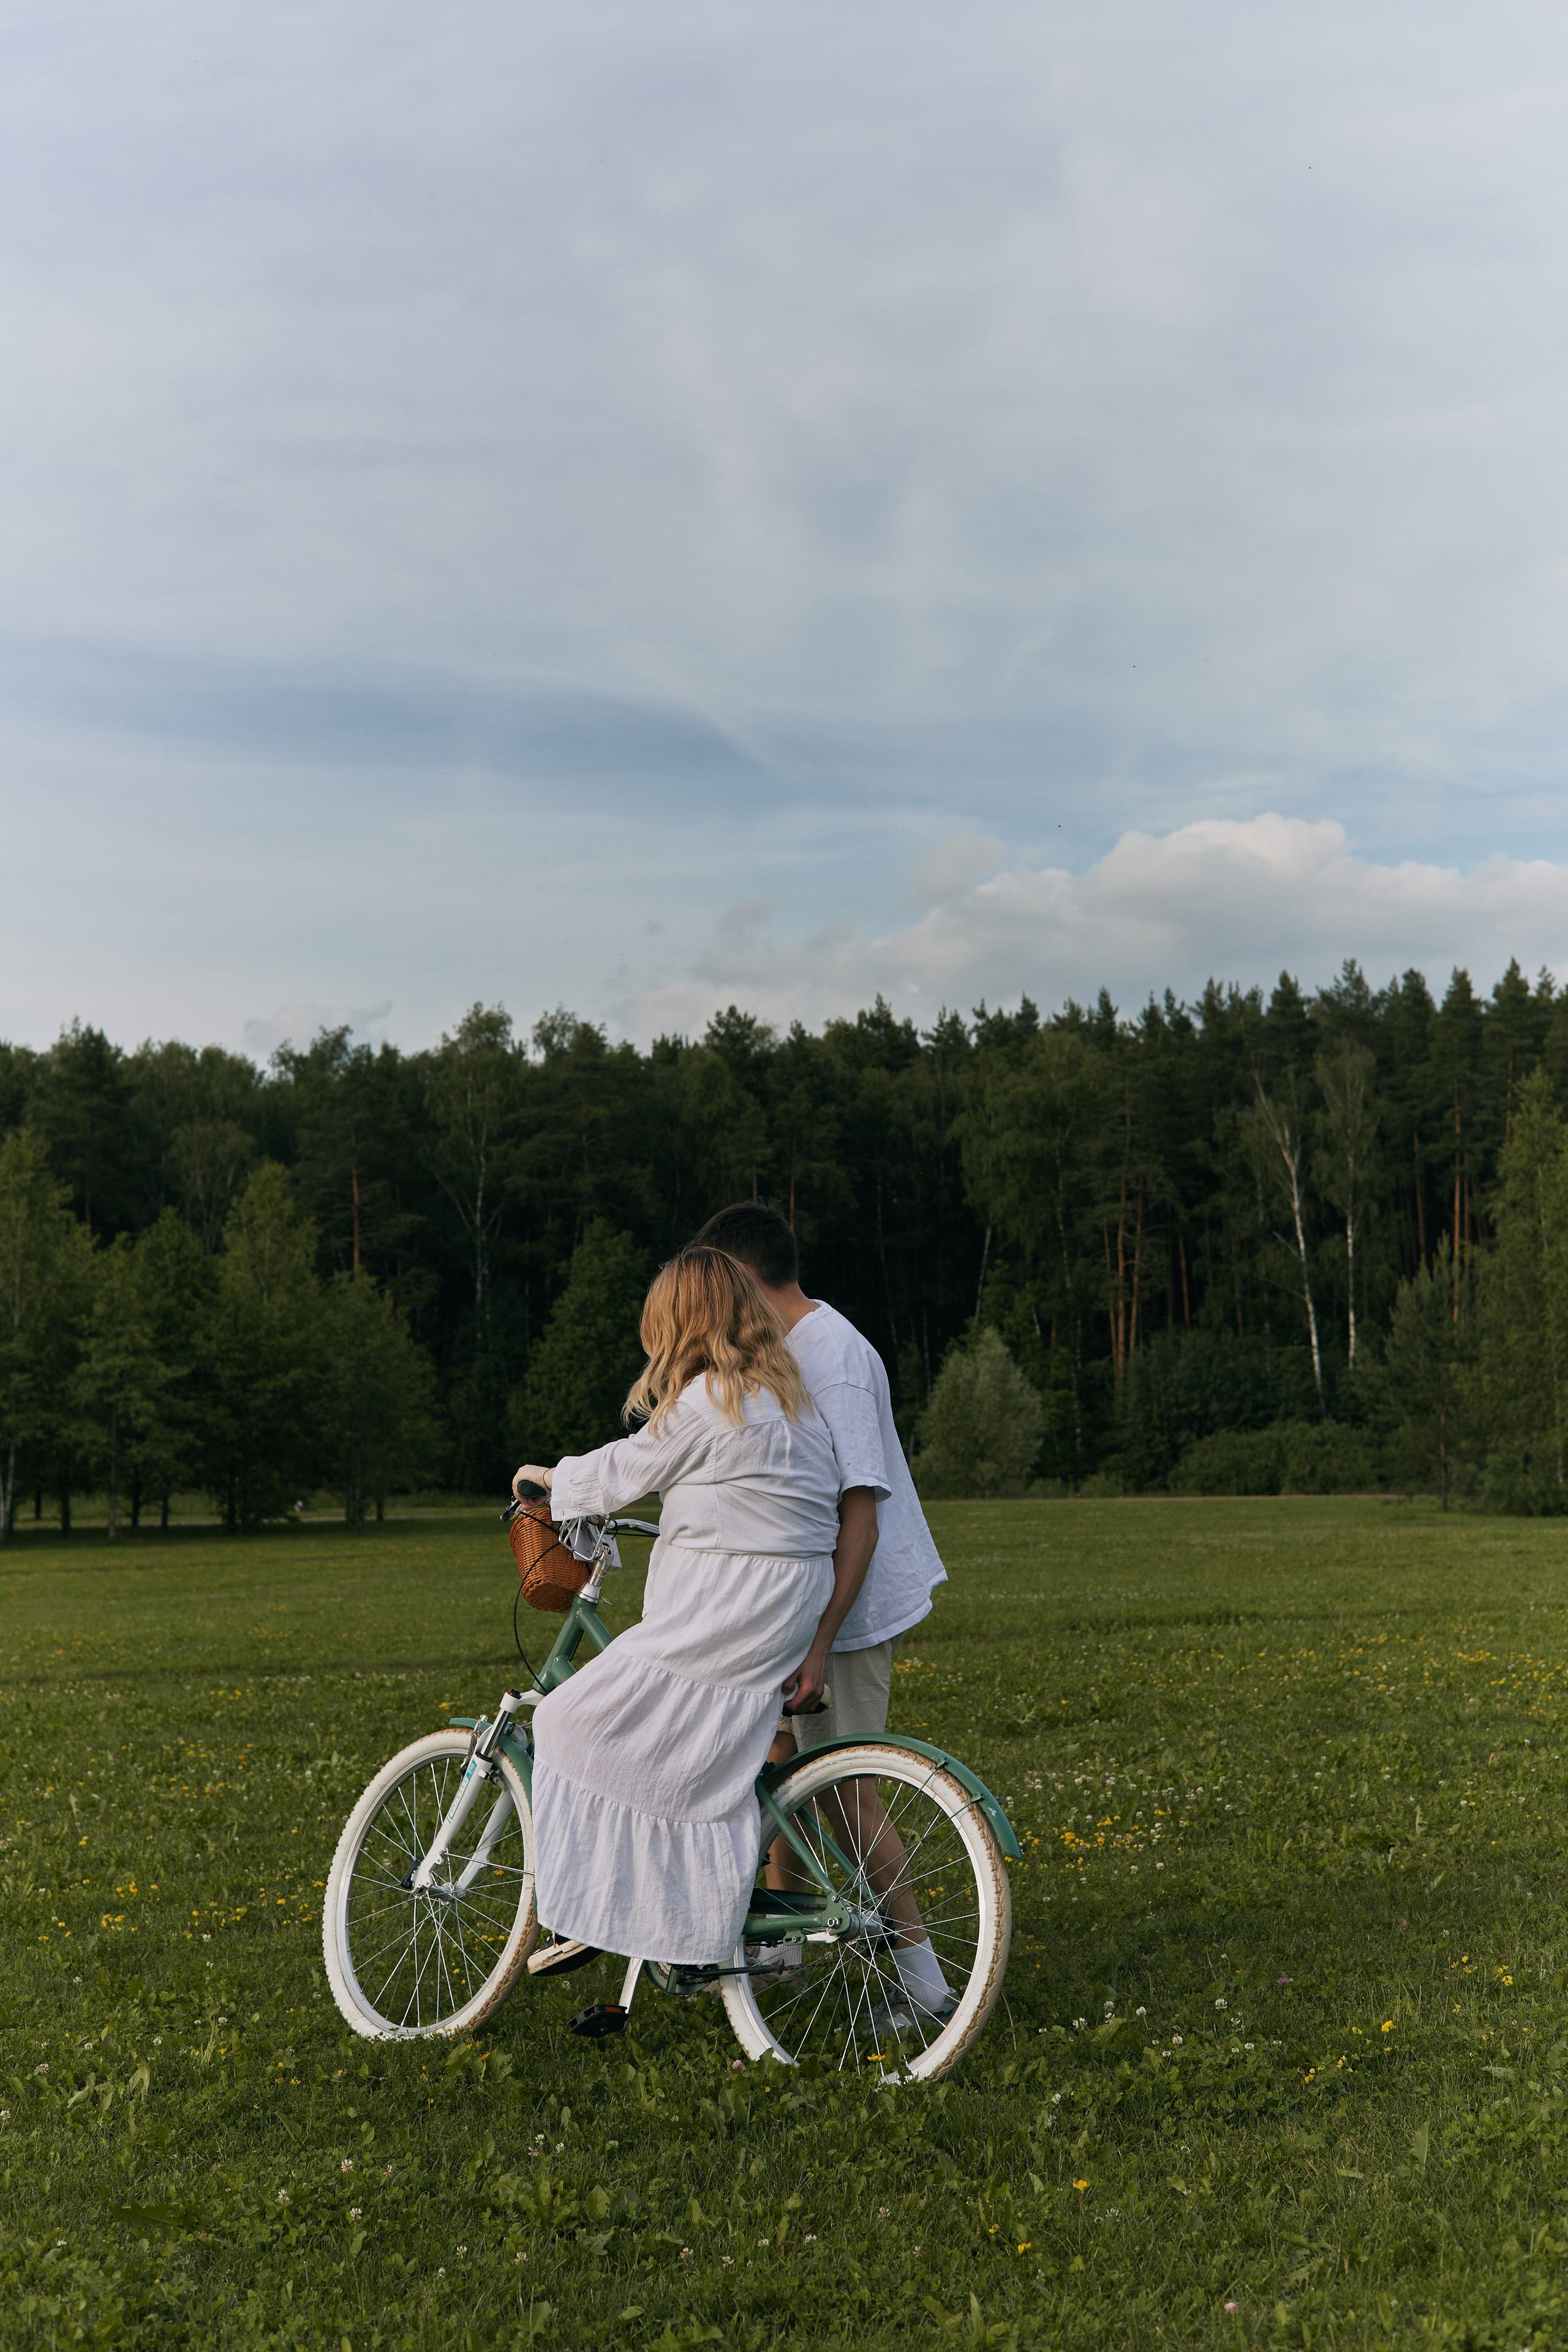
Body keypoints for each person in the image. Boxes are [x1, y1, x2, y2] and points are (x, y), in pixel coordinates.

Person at [511, 1245, 865, 1978]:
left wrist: (547, 1478)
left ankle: (592, 1911)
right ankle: (682, 1922)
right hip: (791, 1604)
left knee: (564, 1721)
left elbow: (622, 1470)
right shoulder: (793, 1405)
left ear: (679, 1325)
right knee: (696, 1763)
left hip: (727, 1607)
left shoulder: (708, 1401)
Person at [690, 1199, 955, 2027]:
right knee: (774, 1761)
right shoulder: (782, 1349)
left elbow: (861, 1516)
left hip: (851, 1607)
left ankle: (925, 1985)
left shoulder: (831, 1355)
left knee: (843, 1787)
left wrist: (818, 1645)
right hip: (803, 1604)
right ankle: (778, 1954)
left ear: (741, 1281)